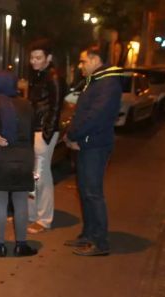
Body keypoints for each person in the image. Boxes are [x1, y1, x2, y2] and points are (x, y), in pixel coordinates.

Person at [64, 44, 124, 256]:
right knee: (85, 192)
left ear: (96, 60)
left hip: (94, 146)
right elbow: (83, 112)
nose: (80, 65)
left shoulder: (107, 84)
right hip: (87, 143)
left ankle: (100, 242)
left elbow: (95, 117)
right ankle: (88, 235)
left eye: (83, 61)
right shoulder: (97, 81)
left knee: (92, 193)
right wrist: (72, 134)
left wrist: (74, 135)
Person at [0, 70, 38, 257]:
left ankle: (0, 245)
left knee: (0, 204)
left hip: (1, 160)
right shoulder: (27, 105)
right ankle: (21, 245)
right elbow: (32, 133)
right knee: (21, 203)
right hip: (24, 158)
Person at [27, 39, 67, 234]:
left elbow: (56, 107)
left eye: (38, 57)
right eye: (32, 57)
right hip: (37, 129)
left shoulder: (53, 77)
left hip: (43, 131)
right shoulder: (39, 75)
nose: (34, 61)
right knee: (35, 175)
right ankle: (33, 215)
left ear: (48, 58)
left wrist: (47, 134)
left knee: (41, 175)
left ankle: (44, 219)